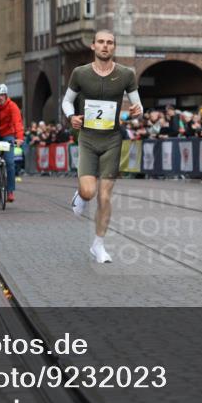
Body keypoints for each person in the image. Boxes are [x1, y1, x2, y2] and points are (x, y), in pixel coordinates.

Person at [62, 29, 143, 264]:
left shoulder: (126, 74)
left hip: (112, 140)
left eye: (109, 43)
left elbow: (138, 107)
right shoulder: (80, 73)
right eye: (101, 42)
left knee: (105, 197)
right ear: (93, 46)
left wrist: (137, 112)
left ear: (114, 47)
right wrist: (71, 117)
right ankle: (80, 194)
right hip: (87, 138)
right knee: (89, 192)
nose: (105, 46)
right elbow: (67, 101)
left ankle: (98, 245)